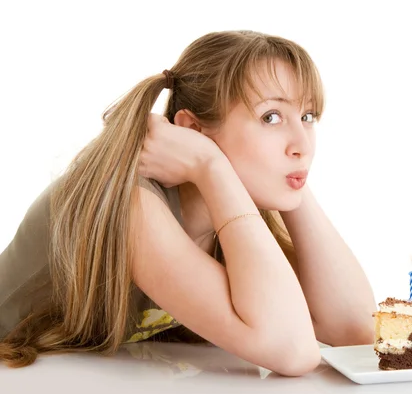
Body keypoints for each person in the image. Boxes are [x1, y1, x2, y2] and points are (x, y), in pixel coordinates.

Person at [0, 30, 376, 376]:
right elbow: (293, 351)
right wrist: (209, 163)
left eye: (307, 116)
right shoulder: (133, 203)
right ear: (193, 130)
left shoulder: (235, 215)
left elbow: (356, 330)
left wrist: (293, 186)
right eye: (271, 116)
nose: (302, 143)